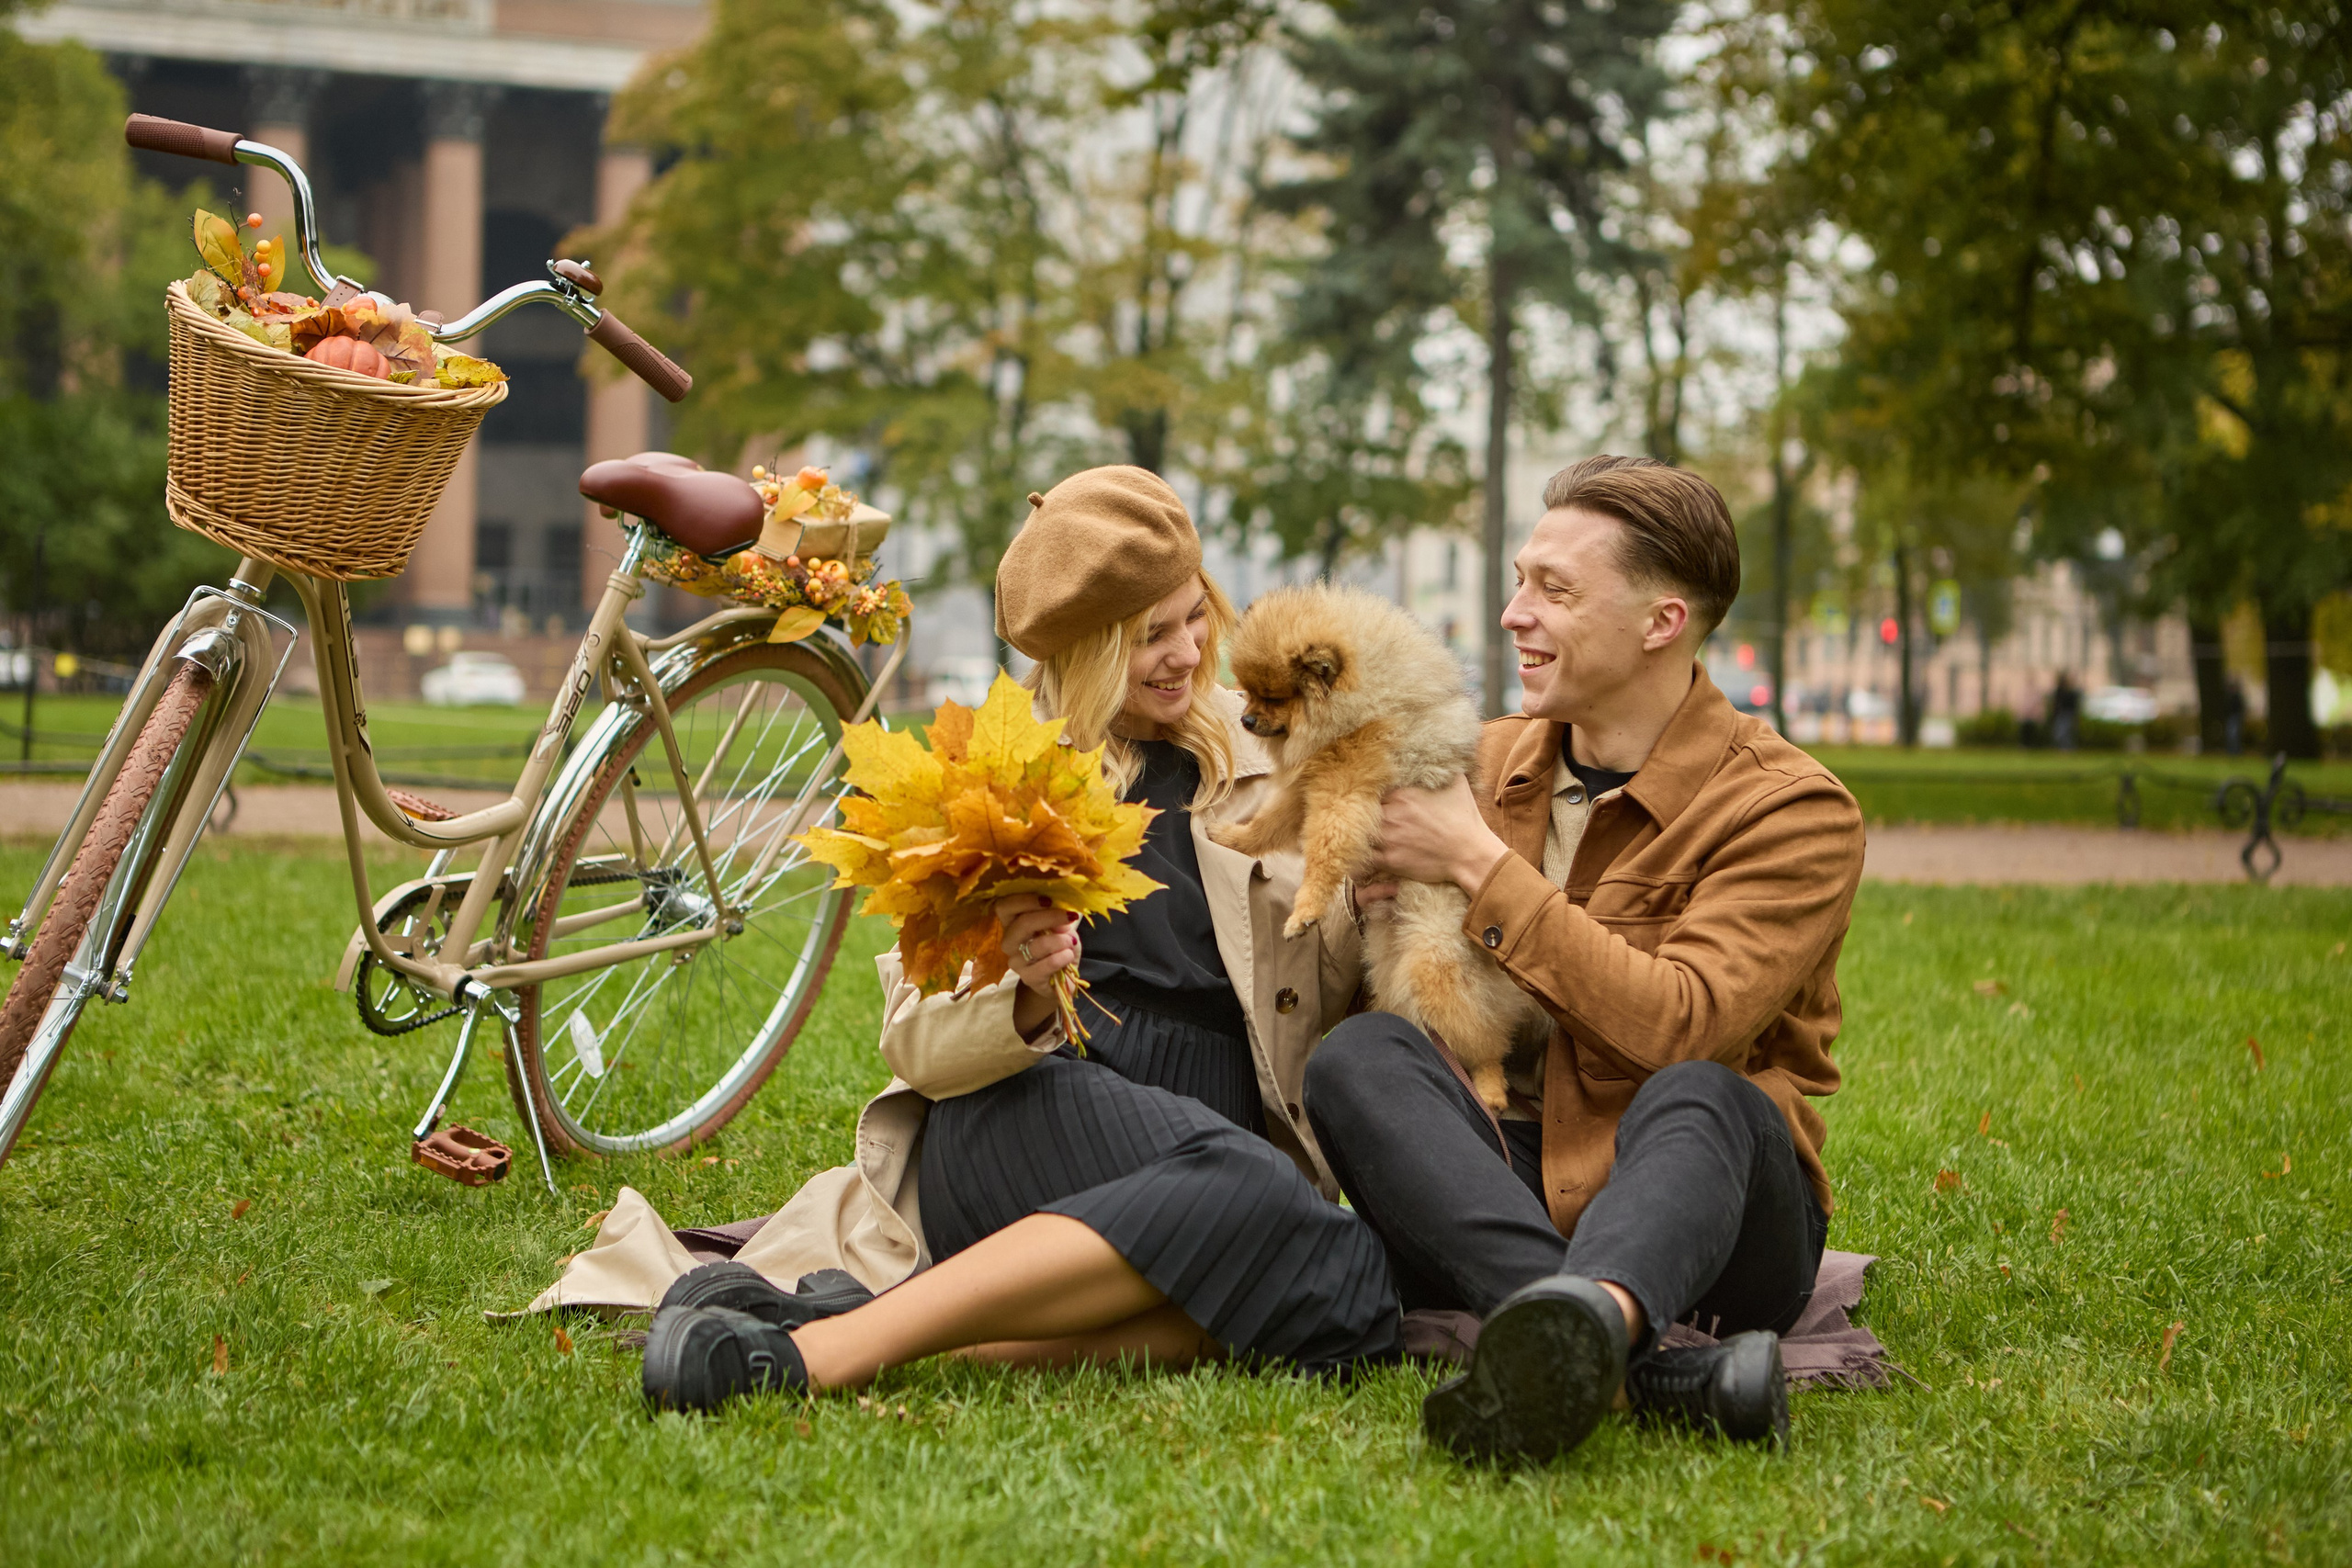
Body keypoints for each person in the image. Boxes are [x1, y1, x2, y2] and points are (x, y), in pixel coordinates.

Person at [628, 466, 1398, 1409]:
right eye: (1149, 636)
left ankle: (854, 1337)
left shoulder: (1272, 761)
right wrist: (1027, 990)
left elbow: (1351, 973)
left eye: (1194, 616)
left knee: (1354, 1289)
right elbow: (912, 1039)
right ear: (1086, 652)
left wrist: (1386, 901)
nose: (1187, 653)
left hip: (1220, 1128)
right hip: (1033, 1108)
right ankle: (814, 1366)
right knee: (1248, 1197)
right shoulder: (1001, 780)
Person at [1304, 455, 1866, 1462]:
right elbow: (1379, 984)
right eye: (1521, 579)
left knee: (1702, 1090)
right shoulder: (1472, 763)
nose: (1515, 612)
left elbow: (1680, 1024)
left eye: (1554, 590)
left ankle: (1584, 1326)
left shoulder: (1790, 807)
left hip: (1712, 1216)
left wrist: (1476, 866)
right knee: (1360, 1060)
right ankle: (1627, 1362)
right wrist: (1371, 903)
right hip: (1503, 1184)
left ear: (1662, 621)